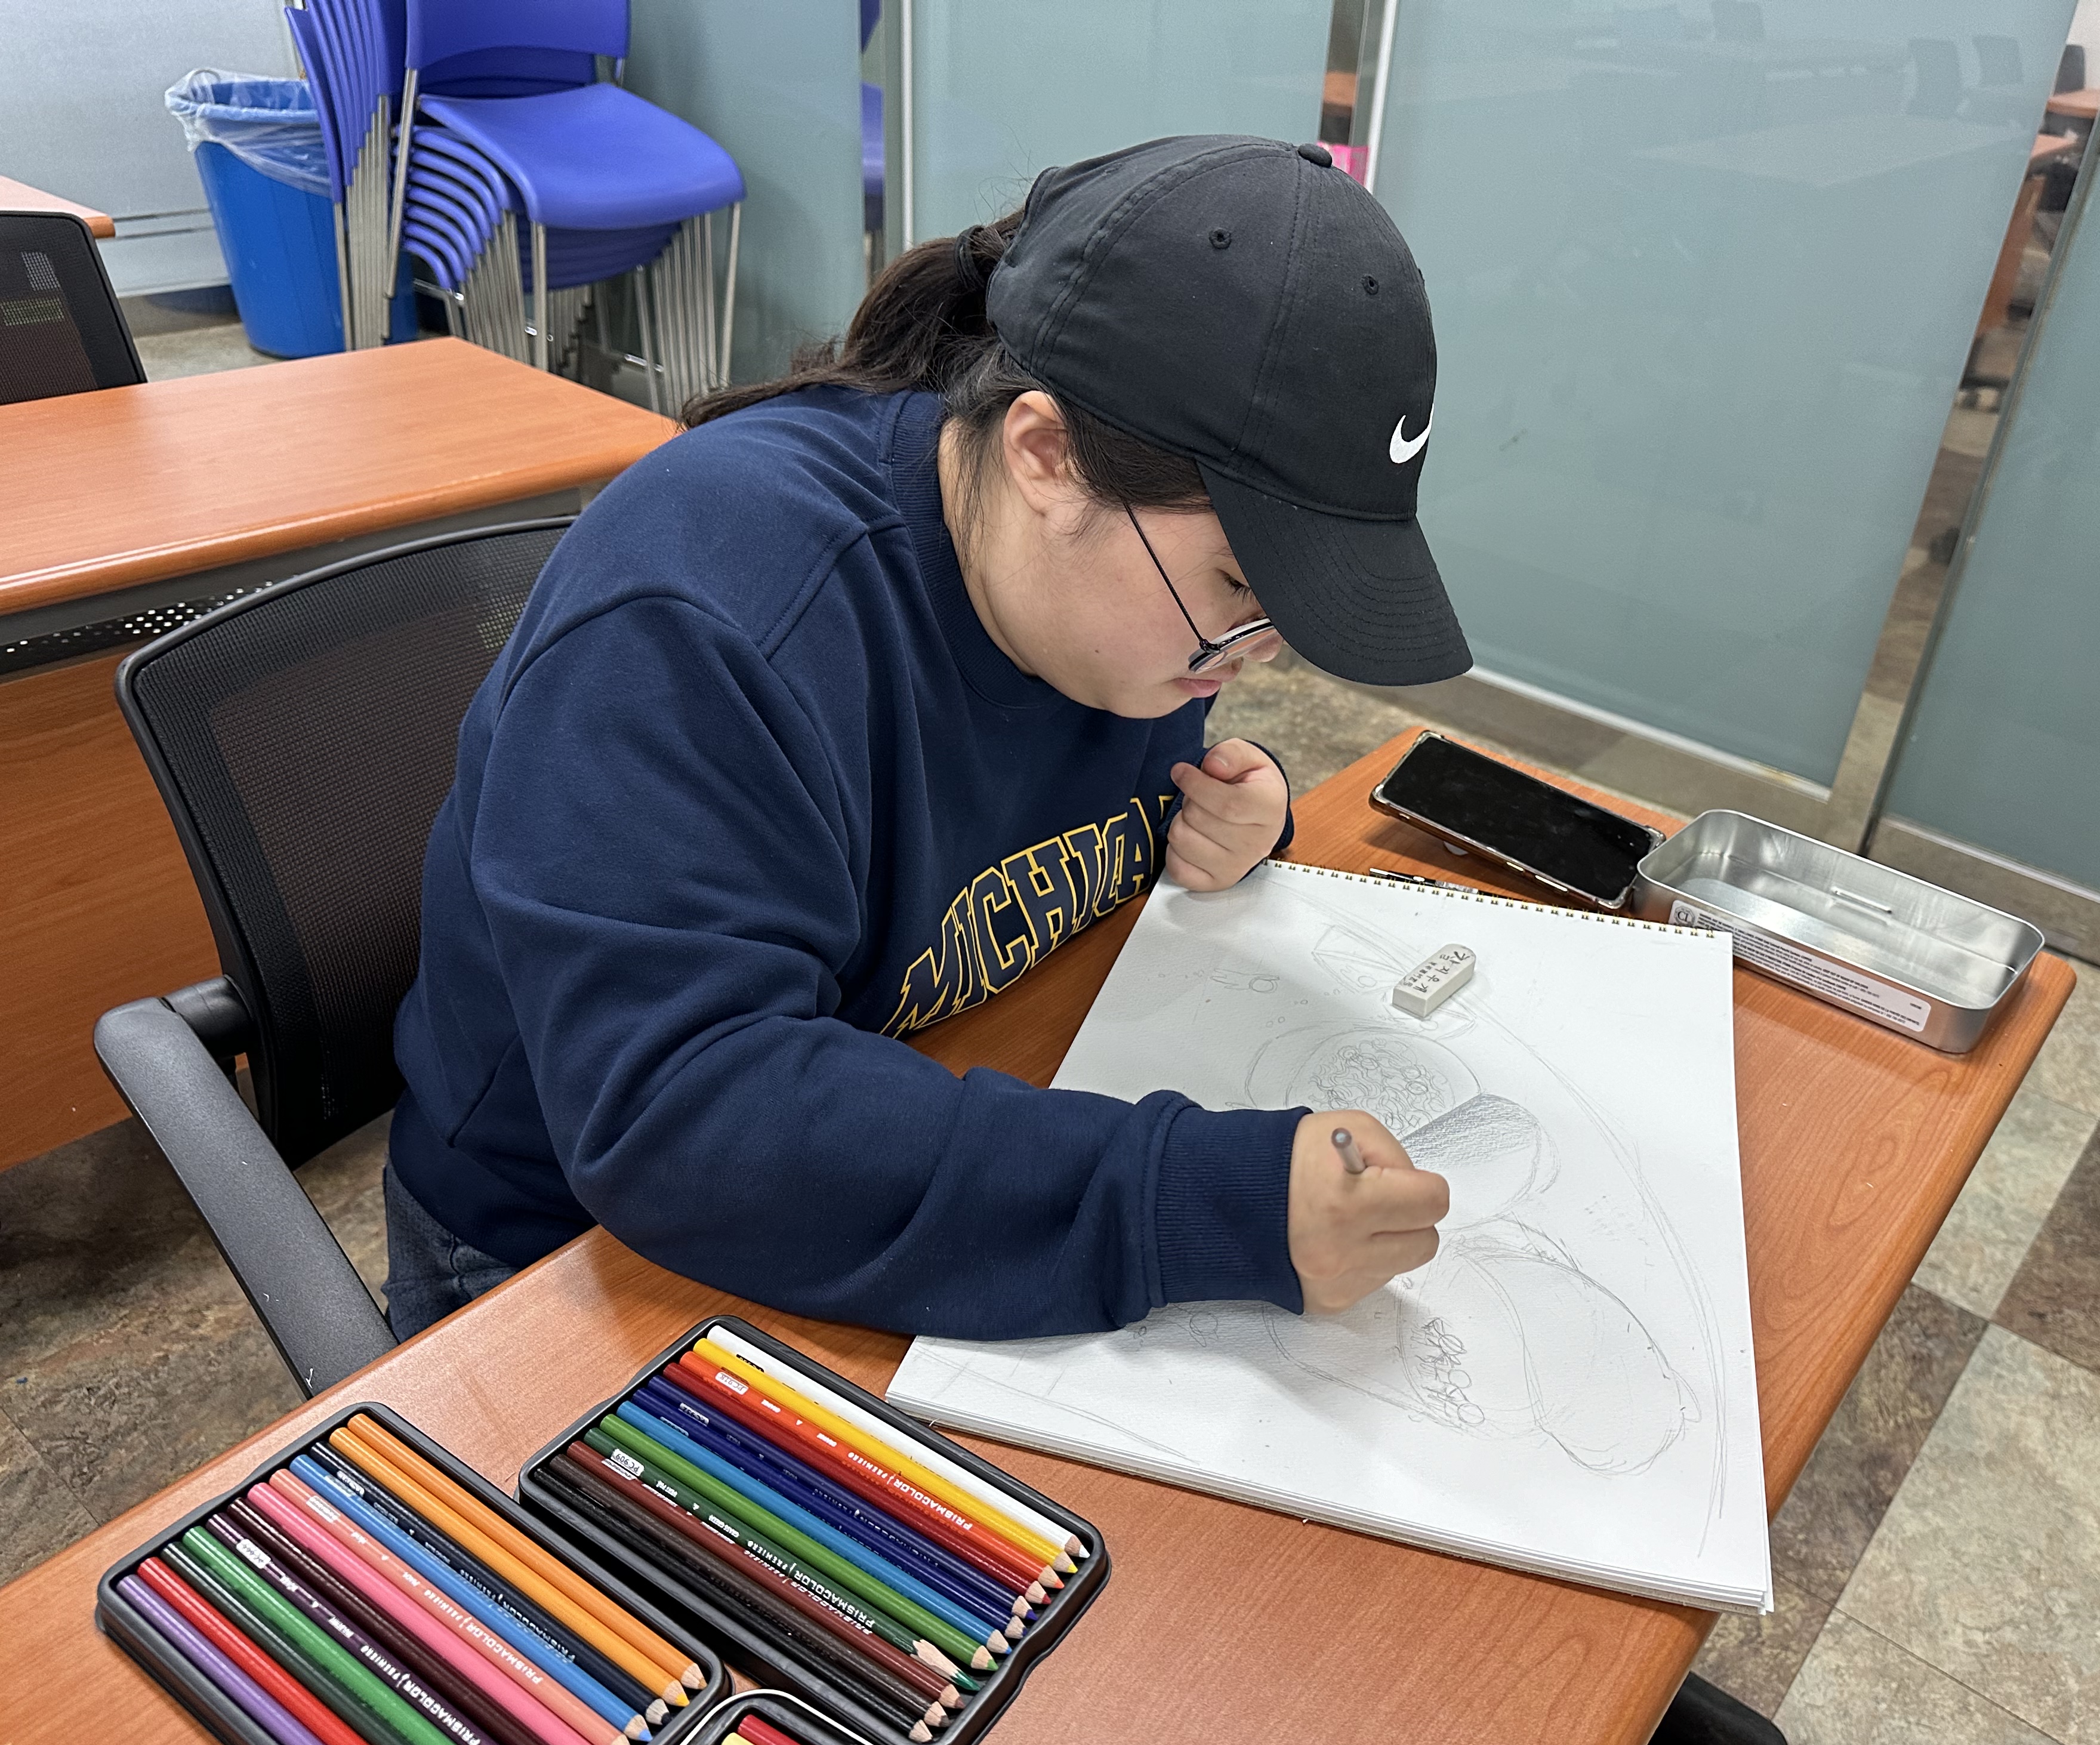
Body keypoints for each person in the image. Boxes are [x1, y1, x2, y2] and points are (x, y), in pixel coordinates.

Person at [383, 135, 1472, 1341]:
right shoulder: (700, 617)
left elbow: (1050, 815)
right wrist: (1187, 1201)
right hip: (568, 1250)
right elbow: (685, 1113)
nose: (1252, 655)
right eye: (1238, 590)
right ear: (1046, 456)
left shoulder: (1109, 603)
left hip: (911, 1092)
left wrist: (1223, 811)